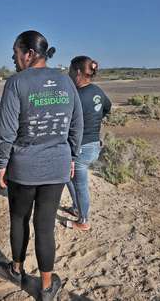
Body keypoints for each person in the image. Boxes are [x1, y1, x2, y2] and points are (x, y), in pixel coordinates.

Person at [0, 31, 83, 300]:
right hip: (56, 167)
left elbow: (5, 131)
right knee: (44, 225)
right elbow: (77, 124)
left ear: (29, 54)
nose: (13, 57)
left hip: (23, 168)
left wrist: (0, 164)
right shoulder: (66, 82)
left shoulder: (17, 83)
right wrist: (72, 157)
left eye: (15, 52)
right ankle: (45, 287)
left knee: (19, 219)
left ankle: (17, 270)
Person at [64, 56, 111, 231]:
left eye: (69, 71)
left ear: (77, 72)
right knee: (67, 177)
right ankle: (77, 208)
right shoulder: (98, 91)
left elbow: (67, 124)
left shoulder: (75, 96)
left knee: (80, 185)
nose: (68, 75)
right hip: (94, 146)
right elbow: (107, 107)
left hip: (80, 149)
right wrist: (96, 120)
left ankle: (83, 221)